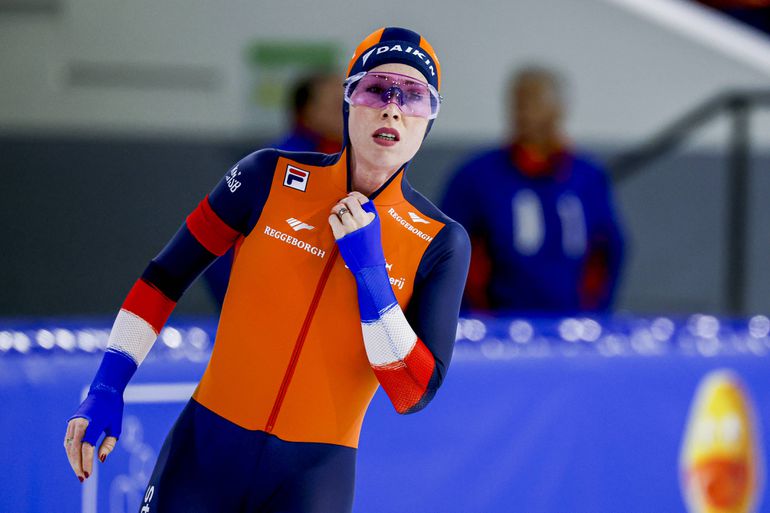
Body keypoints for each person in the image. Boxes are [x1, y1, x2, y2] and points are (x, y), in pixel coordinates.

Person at [64, 27, 470, 513]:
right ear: (348, 100)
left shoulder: (439, 240)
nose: (393, 107)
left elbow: (413, 392)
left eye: (414, 97)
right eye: (377, 88)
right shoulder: (267, 176)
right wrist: (107, 386)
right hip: (204, 455)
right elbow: (163, 279)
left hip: (312, 478)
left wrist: (370, 274)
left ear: (430, 121)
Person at [442, 66, 624, 314]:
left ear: (559, 110)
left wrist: (592, 315)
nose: (524, 114)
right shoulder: (476, 176)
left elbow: (606, 252)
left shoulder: (587, 177)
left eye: (534, 103)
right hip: (497, 328)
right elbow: (449, 249)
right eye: (518, 103)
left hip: (572, 327)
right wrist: (475, 316)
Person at [203, 72, 344, 307]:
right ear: (307, 111)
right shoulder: (271, 165)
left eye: (350, 104)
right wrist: (243, 305)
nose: (348, 113)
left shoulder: (353, 168)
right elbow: (213, 244)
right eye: (337, 105)